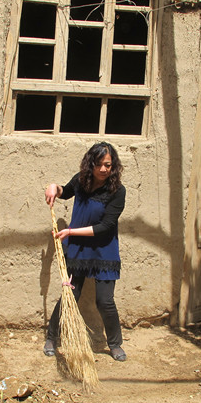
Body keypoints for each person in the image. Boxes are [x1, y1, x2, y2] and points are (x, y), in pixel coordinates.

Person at [43, 142, 127, 361]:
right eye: (99, 164)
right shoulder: (81, 180)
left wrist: (71, 232)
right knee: (70, 295)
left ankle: (115, 344)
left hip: (104, 250)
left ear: (113, 166)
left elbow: (105, 226)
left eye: (108, 165)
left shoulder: (117, 191)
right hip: (79, 249)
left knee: (105, 301)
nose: (103, 169)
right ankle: (52, 337)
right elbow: (65, 192)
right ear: (91, 164)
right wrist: (54, 187)